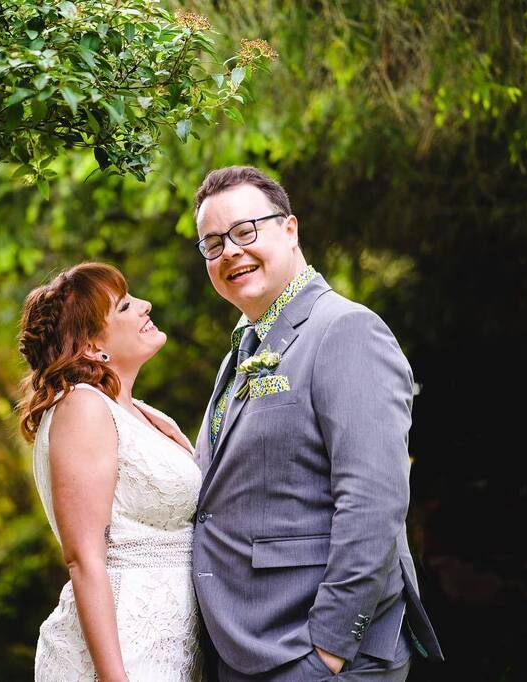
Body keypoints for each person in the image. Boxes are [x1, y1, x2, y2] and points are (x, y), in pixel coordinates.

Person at [190, 166, 444, 681]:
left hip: (320, 654)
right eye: (213, 244)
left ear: (290, 229)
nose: (230, 252)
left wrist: (329, 649)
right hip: (249, 645)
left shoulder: (345, 330)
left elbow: (374, 499)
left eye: (245, 231)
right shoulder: (241, 352)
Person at [17, 262, 204, 682]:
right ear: (90, 347)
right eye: (124, 307)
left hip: (172, 647)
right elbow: (84, 559)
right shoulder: (81, 408)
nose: (145, 306)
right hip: (123, 653)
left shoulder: (142, 415)